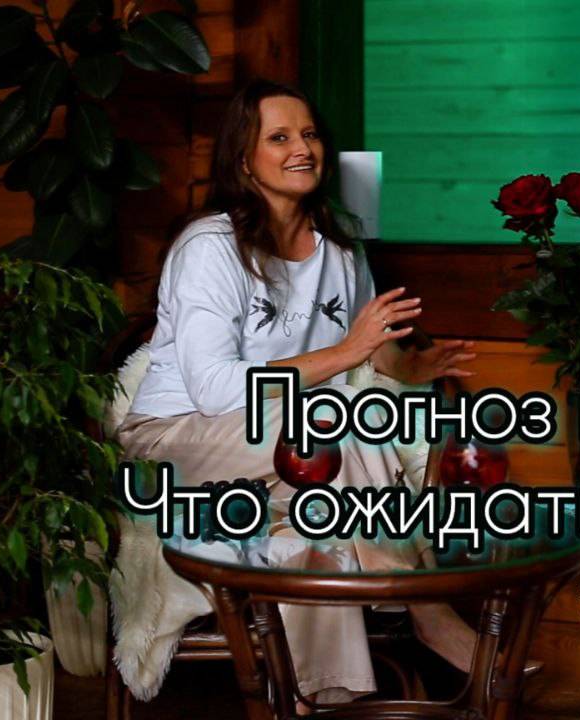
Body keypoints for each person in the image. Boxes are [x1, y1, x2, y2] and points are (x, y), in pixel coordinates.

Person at [118, 79, 480, 709]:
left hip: (282, 447)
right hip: (174, 439)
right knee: (338, 425)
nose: (301, 149)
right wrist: (343, 355)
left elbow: (372, 348)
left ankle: (323, 702)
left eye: (309, 134)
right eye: (279, 137)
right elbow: (214, 391)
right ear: (242, 159)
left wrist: (412, 367)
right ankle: (425, 608)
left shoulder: (338, 246)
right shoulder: (209, 248)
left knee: (320, 526)